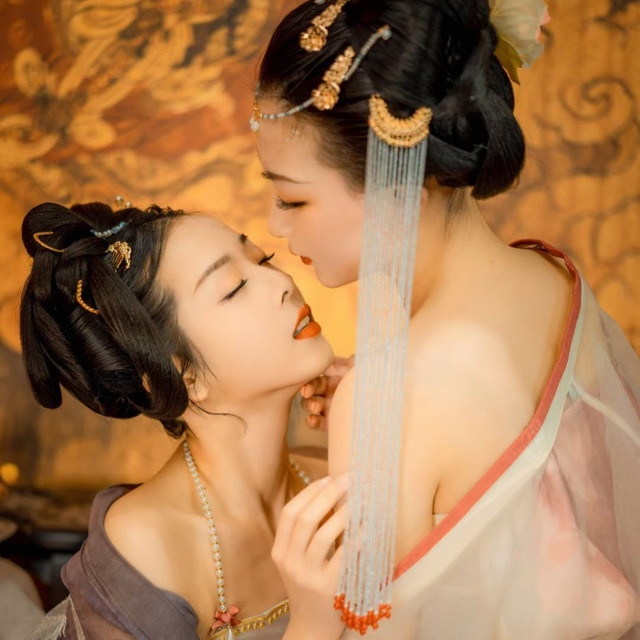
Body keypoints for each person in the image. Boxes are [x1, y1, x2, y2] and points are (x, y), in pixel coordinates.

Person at [252, 0, 640, 637]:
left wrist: (312, 620)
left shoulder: (390, 398)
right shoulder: (550, 275)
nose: (274, 224)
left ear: (398, 186)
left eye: (292, 198)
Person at [20, 201, 347, 640]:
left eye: (263, 259)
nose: (281, 282)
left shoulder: (335, 472)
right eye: (234, 288)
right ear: (181, 374)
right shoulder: (146, 545)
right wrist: (313, 628)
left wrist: (362, 423)